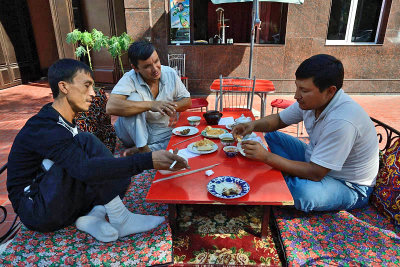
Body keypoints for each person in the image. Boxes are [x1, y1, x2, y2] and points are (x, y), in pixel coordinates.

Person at [7, 59, 189, 243]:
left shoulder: (62, 120)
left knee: (118, 173)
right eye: (87, 86)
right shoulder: (45, 127)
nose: (93, 94)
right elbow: (84, 169)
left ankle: (95, 216)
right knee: (86, 145)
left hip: (59, 200)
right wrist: (148, 160)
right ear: (64, 87)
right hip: (37, 209)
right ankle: (122, 219)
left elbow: (90, 169)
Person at [232, 54, 379, 212]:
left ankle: (287, 179)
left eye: (304, 90)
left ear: (330, 91)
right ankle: (288, 175)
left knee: (300, 192)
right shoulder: (312, 102)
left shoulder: (342, 121)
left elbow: (316, 173)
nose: (296, 95)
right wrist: (251, 125)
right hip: (316, 158)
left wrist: (267, 157)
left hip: (348, 185)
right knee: (272, 136)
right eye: (297, 87)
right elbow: (279, 120)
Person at [106, 41, 191, 154]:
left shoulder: (170, 73)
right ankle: (143, 149)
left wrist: (169, 107)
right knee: (133, 98)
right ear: (135, 68)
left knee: (186, 139)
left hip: (157, 131)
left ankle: (145, 150)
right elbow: (111, 107)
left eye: (156, 61)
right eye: (147, 66)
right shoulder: (129, 78)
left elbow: (187, 101)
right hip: (130, 135)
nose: (155, 69)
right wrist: (151, 105)